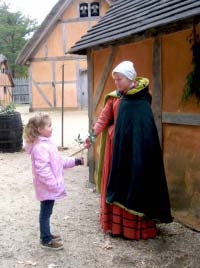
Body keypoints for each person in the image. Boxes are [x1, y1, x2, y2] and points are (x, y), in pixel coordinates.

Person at [85, 60, 172, 240]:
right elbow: (102, 119)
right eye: (115, 79)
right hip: (117, 150)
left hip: (139, 151)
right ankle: (117, 228)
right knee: (119, 183)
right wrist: (91, 137)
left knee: (138, 183)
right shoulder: (115, 97)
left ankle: (138, 229)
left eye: (119, 79)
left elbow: (145, 126)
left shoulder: (143, 97)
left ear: (130, 78)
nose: (116, 83)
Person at [24, 113, 84, 250]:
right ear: (40, 129)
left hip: (49, 187)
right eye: (49, 126)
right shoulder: (40, 147)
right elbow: (42, 170)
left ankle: (47, 234)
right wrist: (54, 184)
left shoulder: (46, 143)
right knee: (45, 213)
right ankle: (45, 239)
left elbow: (58, 160)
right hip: (47, 188)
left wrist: (75, 161)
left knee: (47, 212)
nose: (52, 128)